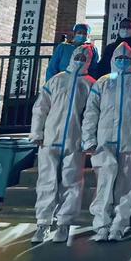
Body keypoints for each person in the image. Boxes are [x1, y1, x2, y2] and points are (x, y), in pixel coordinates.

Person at [30, 45, 96, 243]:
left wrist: (88, 139)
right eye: (78, 55)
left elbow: (92, 115)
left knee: (72, 181)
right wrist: (37, 132)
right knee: (46, 181)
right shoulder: (56, 80)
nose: (80, 59)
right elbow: (41, 108)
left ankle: (64, 223)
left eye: (84, 57)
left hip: (75, 140)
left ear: (89, 60)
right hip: (50, 138)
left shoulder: (90, 84)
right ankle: (43, 223)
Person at [82, 42, 131, 242]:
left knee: (128, 184)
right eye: (119, 58)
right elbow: (91, 112)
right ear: (112, 60)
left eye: (126, 58)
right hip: (104, 141)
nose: (122, 61)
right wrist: (88, 138)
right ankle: (102, 224)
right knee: (104, 183)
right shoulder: (102, 82)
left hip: (130, 140)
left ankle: (120, 223)